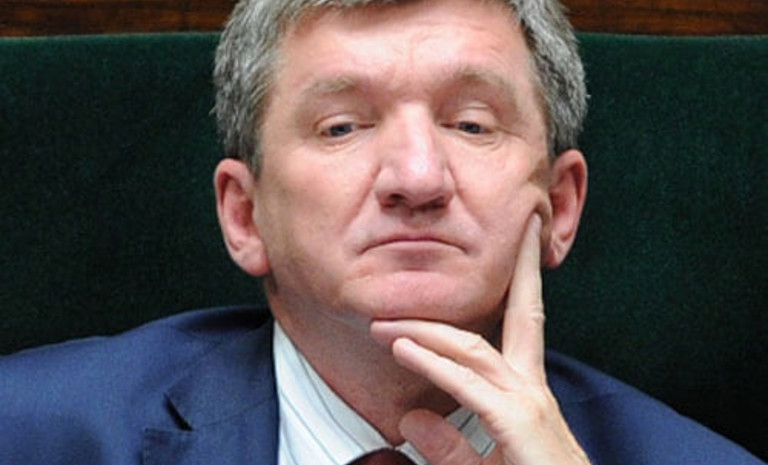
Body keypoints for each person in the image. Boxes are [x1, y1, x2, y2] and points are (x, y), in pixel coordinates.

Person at [0, 0, 763, 464]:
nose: (418, 177)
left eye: (472, 123)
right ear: (244, 214)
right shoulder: (26, 433)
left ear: (559, 208)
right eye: (342, 126)